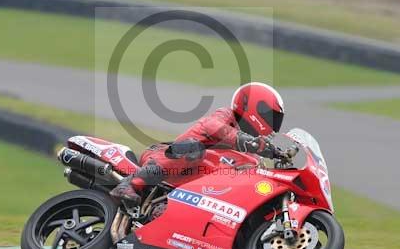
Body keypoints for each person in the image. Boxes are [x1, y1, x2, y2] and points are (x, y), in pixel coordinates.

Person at [110, 82, 285, 205]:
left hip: (191, 190)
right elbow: (212, 126)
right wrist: (247, 141)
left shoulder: (250, 157)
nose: (274, 125)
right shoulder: (226, 116)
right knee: (195, 150)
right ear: (254, 106)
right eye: (272, 116)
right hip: (164, 156)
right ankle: (130, 183)